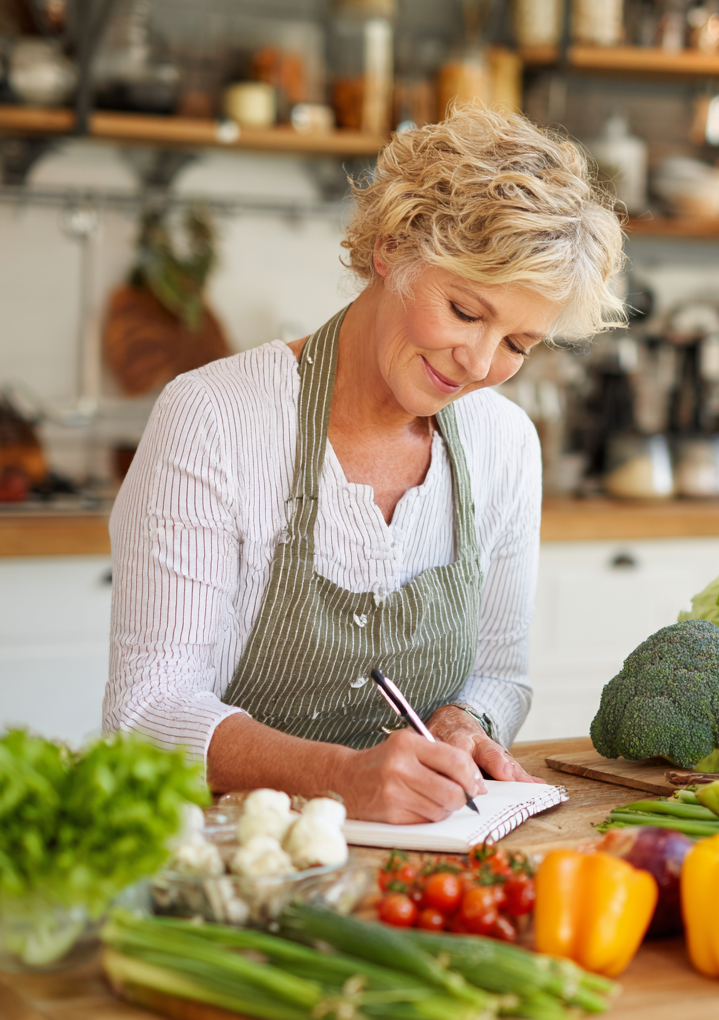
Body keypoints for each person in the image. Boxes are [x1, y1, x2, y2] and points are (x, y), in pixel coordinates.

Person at [103, 107, 625, 823]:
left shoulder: (505, 445)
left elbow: (500, 674)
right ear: (391, 247)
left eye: (518, 344)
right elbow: (148, 709)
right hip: (230, 862)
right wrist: (342, 776)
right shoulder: (214, 419)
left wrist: (465, 723)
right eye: (465, 311)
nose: (478, 363)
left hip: (419, 875)